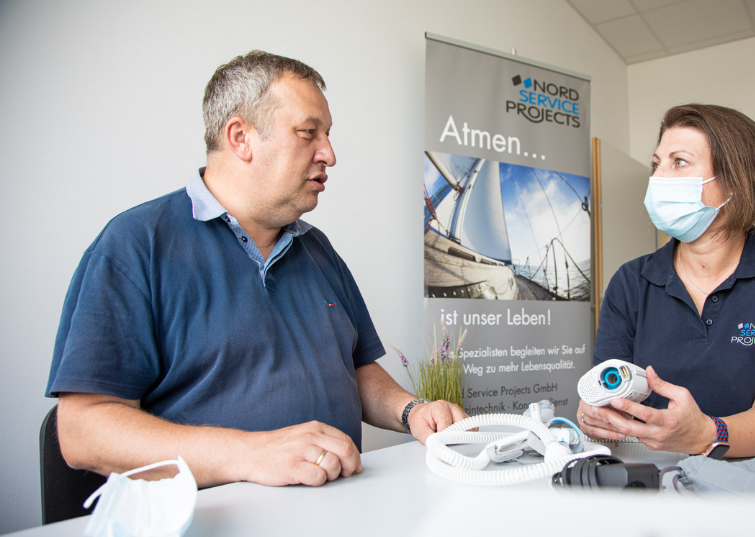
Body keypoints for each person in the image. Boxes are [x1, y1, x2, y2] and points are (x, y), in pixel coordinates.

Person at [46, 50, 468, 488]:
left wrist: (411, 409)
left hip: (339, 516)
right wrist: (250, 454)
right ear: (240, 138)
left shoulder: (318, 249)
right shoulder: (135, 245)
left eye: (327, 135)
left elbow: (357, 370)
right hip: (214, 535)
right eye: (309, 133)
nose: (330, 153)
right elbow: (83, 431)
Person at [579, 104, 755, 458]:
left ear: (735, 179)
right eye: (657, 164)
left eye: (679, 162)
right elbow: (608, 393)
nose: (658, 177)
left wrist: (707, 434)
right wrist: (596, 415)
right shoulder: (631, 280)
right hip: (652, 467)